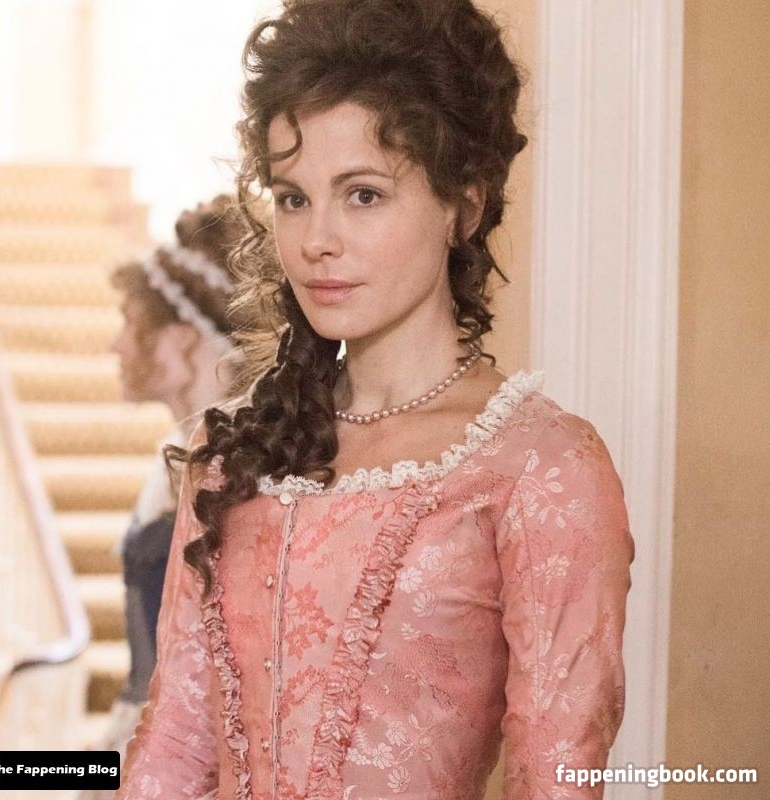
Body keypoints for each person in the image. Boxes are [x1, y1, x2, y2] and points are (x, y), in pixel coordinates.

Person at [116, 1, 635, 798]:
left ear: (464, 205)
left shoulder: (542, 469)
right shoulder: (233, 456)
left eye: (362, 195)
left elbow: (557, 778)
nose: (316, 240)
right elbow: (174, 752)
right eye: (293, 198)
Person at [81, 195, 275, 800]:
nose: (116, 346)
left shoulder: (235, 477)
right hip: (129, 748)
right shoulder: (173, 460)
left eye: (131, 323)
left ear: (183, 340)